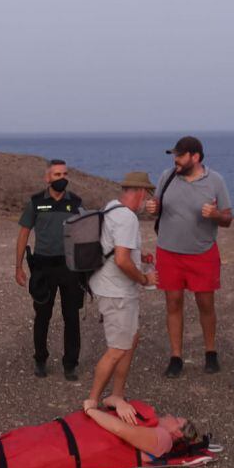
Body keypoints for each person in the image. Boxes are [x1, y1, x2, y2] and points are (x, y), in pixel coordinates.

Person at [145, 136, 232, 377]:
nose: (176, 160)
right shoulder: (167, 176)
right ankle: (176, 357)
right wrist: (152, 208)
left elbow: (227, 219)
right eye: (175, 155)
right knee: (173, 302)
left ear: (195, 157)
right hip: (168, 251)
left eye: (180, 155)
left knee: (206, 304)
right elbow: (158, 206)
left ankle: (211, 353)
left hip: (202, 252)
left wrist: (215, 214)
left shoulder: (215, 181)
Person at [87, 171, 158, 425]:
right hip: (117, 292)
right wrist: (144, 278)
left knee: (130, 340)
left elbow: (118, 249)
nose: (146, 201)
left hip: (108, 287)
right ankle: (92, 403)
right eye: (146, 195)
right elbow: (121, 260)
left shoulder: (111, 208)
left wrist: (141, 256)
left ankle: (116, 395)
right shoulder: (127, 217)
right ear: (140, 193)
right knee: (117, 349)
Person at [15, 159, 85, 380]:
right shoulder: (36, 203)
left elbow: (86, 232)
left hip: (70, 267)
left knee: (71, 316)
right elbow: (24, 234)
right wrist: (18, 267)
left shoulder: (75, 202)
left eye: (64, 174)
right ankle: (40, 360)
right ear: (47, 178)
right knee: (42, 315)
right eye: (57, 175)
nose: (61, 178)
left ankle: (70, 363)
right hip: (43, 266)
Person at [81, 399, 202, 457]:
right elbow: (106, 400)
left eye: (175, 420)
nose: (170, 415)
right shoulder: (152, 423)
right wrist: (120, 403)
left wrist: (90, 410)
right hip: (88, 432)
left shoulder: (163, 438)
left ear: (178, 433)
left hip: (87, 443)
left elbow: (119, 429)